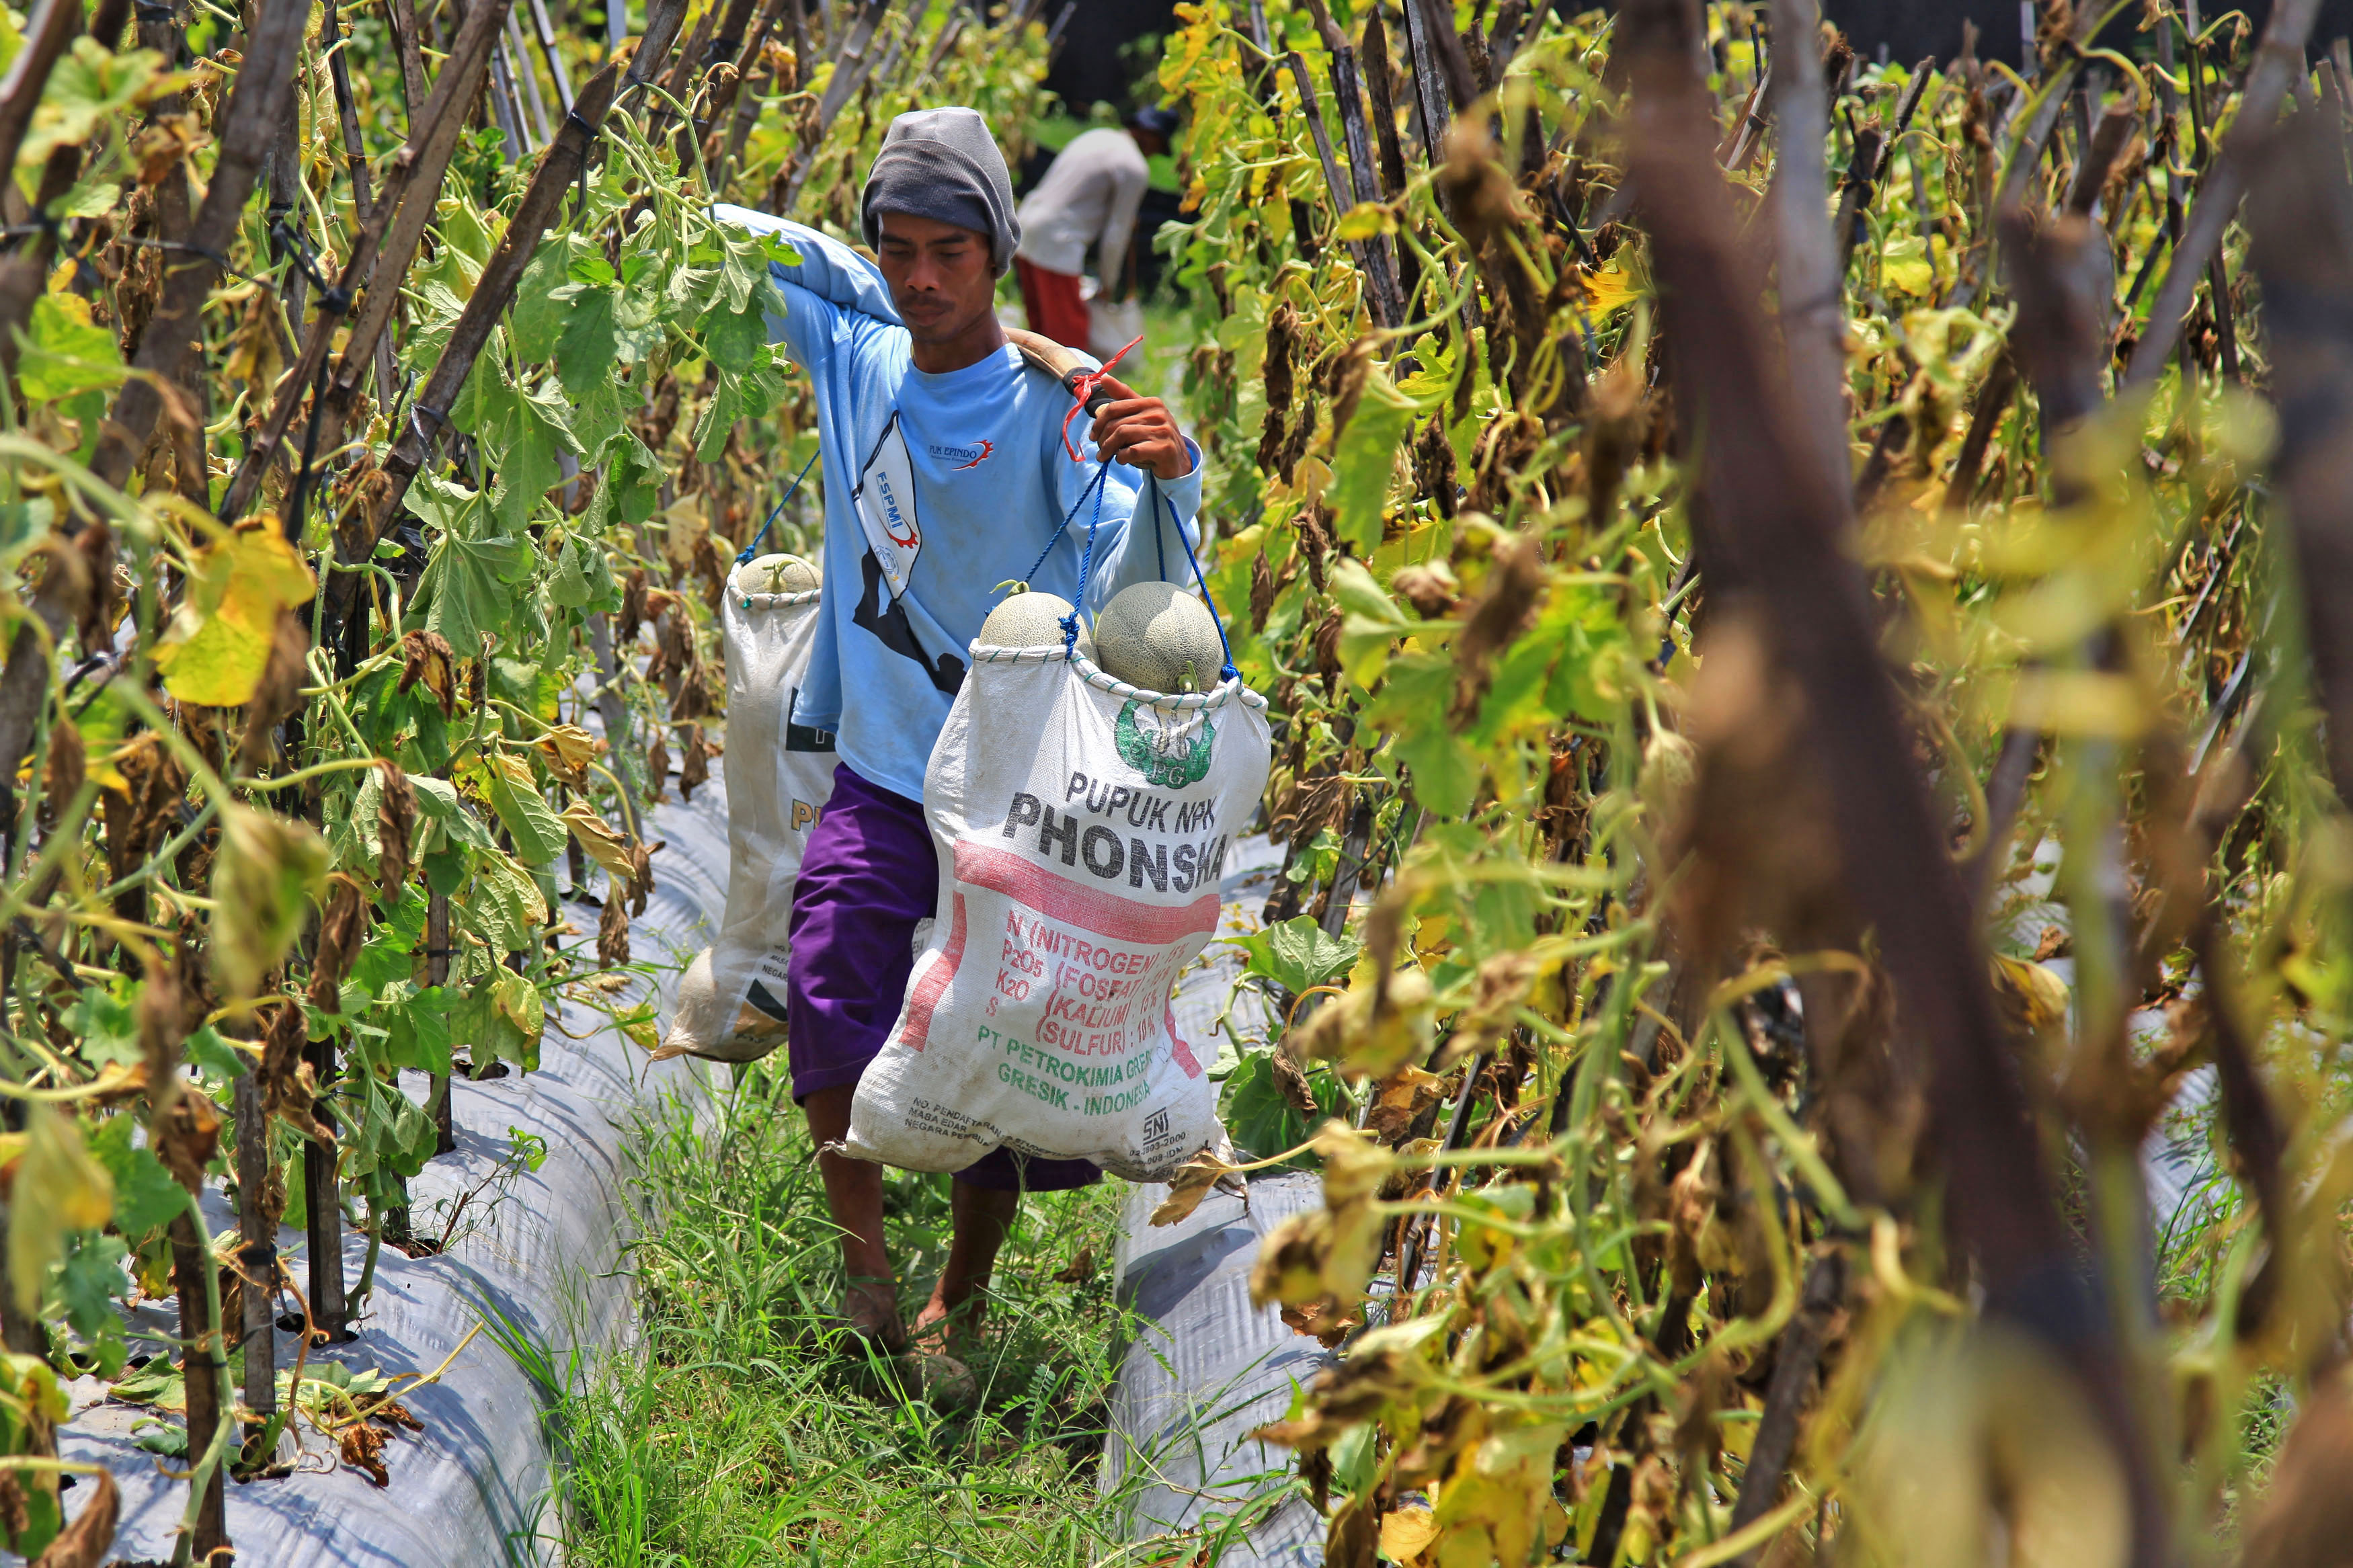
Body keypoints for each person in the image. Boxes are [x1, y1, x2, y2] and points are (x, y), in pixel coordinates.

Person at [709, 108, 1200, 1370]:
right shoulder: (856, 356)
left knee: (1001, 1030)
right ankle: (864, 1270)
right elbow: (720, 238)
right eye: (898, 248)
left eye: (952, 252)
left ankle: (960, 1292)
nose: (922, 279)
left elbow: (1135, 577)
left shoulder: (1054, 410)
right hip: (881, 763)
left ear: (997, 253)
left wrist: (1169, 470)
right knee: (829, 971)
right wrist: (846, 256)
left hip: (1015, 780)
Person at [1012, 106, 1178, 349]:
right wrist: (1108, 285)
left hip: (1025, 228)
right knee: (1068, 346)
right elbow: (1117, 234)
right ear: (1151, 136)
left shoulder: (1097, 137)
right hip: (1057, 243)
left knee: (1039, 337)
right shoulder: (1134, 167)